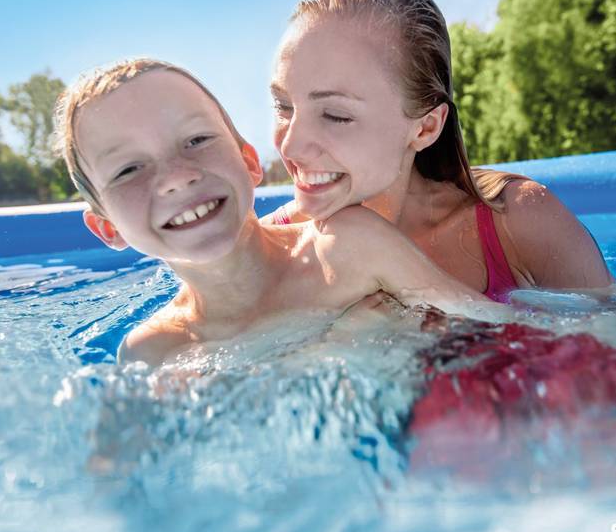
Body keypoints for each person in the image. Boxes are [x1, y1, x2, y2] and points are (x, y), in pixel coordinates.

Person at [54, 58, 504, 367]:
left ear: (250, 162)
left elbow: (497, 328)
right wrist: (336, 348)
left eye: (196, 141)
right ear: (107, 227)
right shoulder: (153, 351)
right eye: (130, 169)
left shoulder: (347, 247)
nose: (176, 177)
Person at [268, 0, 614, 301]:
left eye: (335, 115)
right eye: (283, 106)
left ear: (426, 127)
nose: (290, 145)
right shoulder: (268, 248)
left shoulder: (518, 226)